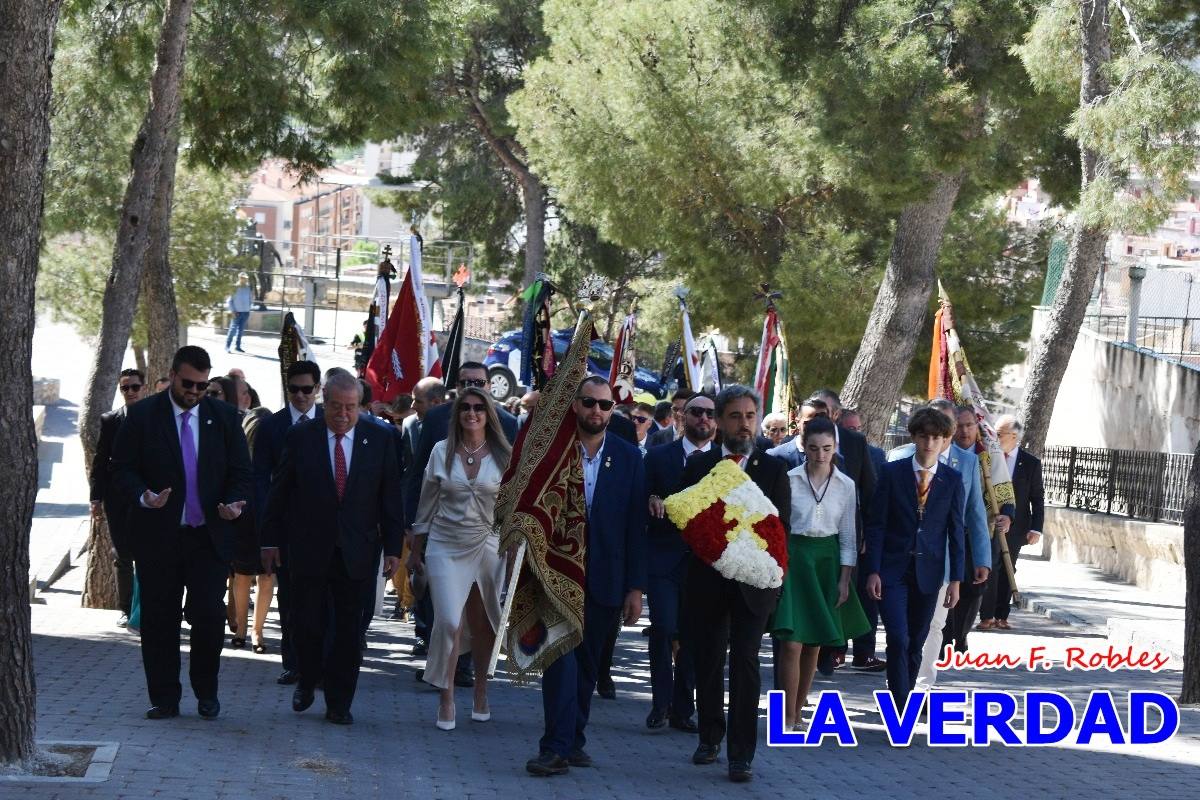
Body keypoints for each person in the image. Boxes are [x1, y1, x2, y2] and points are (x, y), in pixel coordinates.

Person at [110, 345, 252, 720]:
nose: (194, 392)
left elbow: (241, 471)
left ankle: (206, 691)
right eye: (188, 383)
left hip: (207, 536)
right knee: (159, 619)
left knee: (207, 615)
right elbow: (121, 469)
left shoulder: (223, 418)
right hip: (159, 536)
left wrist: (235, 502)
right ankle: (165, 697)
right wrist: (144, 495)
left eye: (202, 386)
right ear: (173, 375)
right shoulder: (143, 416)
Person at [260, 371, 404, 725]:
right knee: (306, 623)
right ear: (325, 401)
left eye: (351, 407)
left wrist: (394, 548)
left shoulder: (380, 438)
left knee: (349, 630)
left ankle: (340, 702)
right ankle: (307, 680)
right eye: (336, 406)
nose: (343, 414)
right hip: (309, 547)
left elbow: (390, 498)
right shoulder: (301, 437)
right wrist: (269, 540)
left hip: (358, 550)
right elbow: (279, 492)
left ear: (360, 406)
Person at [525, 377, 647, 776]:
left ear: (614, 410)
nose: (597, 411)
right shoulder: (553, 451)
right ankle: (554, 746)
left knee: (588, 665)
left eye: (605, 405)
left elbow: (635, 528)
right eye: (589, 403)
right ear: (575, 406)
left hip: (606, 577)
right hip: (557, 573)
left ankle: (572, 739)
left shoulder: (629, 458)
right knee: (559, 657)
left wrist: (635, 588)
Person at [681, 385, 790, 784]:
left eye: (750, 416)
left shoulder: (774, 469)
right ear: (720, 421)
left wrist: (776, 583)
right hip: (707, 581)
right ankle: (709, 736)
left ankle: (741, 754)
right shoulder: (699, 465)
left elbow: (782, 532)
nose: (743, 424)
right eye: (735, 416)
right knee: (708, 659)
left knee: (745, 662)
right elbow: (689, 526)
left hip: (755, 586)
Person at [406, 362, 519, 687]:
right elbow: (419, 478)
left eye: (479, 383)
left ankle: (463, 667)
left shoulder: (509, 425)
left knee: (479, 609)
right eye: (467, 382)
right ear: (456, 385)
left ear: (489, 386)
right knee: (446, 610)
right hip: (444, 535)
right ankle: (442, 663)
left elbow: (514, 490)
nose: (473, 389)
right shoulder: (438, 420)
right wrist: (413, 529)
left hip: (487, 540)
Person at [771, 416, 870, 731]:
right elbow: (777, 525)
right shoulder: (789, 479)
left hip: (826, 561)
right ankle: (785, 716)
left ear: (835, 447)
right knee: (791, 641)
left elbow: (848, 536)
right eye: (813, 448)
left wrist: (844, 578)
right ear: (804, 446)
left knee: (814, 642)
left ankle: (798, 712)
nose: (820, 454)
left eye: (827, 448)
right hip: (794, 558)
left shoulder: (846, 485)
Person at [886, 399, 991, 690]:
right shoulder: (897, 458)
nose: (935, 437)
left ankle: (921, 686)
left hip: (940, 561)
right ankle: (901, 685)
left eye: (944, 428)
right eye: (929, 428)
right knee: (901, 632)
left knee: (933, 627)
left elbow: (972, 513)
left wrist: (982, 558)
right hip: (900, 561)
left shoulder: (966, 463)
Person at [866, 407, 964, 708]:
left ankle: (905, 701)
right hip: (893, 570)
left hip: (929, 571)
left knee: (917, 642)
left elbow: (956, 530)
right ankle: (899, 709)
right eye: (924, 436)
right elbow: (876, 524)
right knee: (898, 638)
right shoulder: (892, 473)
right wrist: (873, 570)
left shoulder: (952, 479)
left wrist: (956, 580)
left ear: (945, 440)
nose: (930, 443)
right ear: (914, 437)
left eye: (937, 438)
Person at [643, 393, 716, 733]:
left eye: (709, 413)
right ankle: (660, 702)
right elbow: (639, 498)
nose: (703, 418)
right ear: (682, 417)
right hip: (663, 558)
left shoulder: (724, 463)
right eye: (696, 412)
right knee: (661, 627)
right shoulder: (658, 456)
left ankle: (682, 709)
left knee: (691, 635)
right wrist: (651, 498)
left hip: (703, 563)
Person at [251, 360, 323, 685]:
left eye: (307, 389)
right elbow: (260, 482)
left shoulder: (330, 421)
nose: (300, 396)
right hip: (286, 531)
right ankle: (293, 662)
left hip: (325, 530)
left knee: (323, 601)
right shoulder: (272, 427)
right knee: (291, 599)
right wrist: (268, 533)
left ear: (317, 389)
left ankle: (320, 663)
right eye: (294, 389)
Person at [89, 367, 145, 627]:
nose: (130, 392)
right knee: (122, 554)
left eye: (134, 386)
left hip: (149, 497)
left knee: (149, 554)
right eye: (125, 388)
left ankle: (148, 608)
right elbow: (100, 461)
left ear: (142, 388)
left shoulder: (154, 418)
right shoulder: (111, 420)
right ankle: (125, 608)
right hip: (117, 498)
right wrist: (96, 498)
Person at [978, 415, 1044, 630]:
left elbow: (1037, 497)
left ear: (1013, 436)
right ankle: (986, 616)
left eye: (999, 434)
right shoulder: (988, 458)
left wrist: (1036, 528)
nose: (994, 438)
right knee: (991, 567)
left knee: (1008, 568)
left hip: (1017, 527)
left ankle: (1001, 615)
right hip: (989, 522)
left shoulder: (1030, 463)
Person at [400, 377, 447, 628]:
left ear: (436, 402)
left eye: (417, 401)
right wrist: (408, 521)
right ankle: (422, 630)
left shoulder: (452, 426)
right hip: (418, 514)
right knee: (418, 572)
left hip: (444, 519)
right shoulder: (409, 424)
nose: (413, 405)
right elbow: (410, 474)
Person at [230, 407, 274, 653]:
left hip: (267, 518)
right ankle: (242, 629)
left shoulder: (275, 457)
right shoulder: (239, 460)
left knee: (265, 575)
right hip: (244, 518)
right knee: (243, 574)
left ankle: (256, 631)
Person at [225, 272, 253, 353]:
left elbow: (250, 299)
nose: (244, 279)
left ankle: (238, 346)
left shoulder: (247, 288)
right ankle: (227, 346)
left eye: (245, 278)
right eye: (243, 278)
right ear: (239, 278)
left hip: (245, 312)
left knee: (241, 330)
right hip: (237, 312)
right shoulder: (234, 288)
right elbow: (229, 301)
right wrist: (233, 311)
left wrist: (249, 308)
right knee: (232, 329)